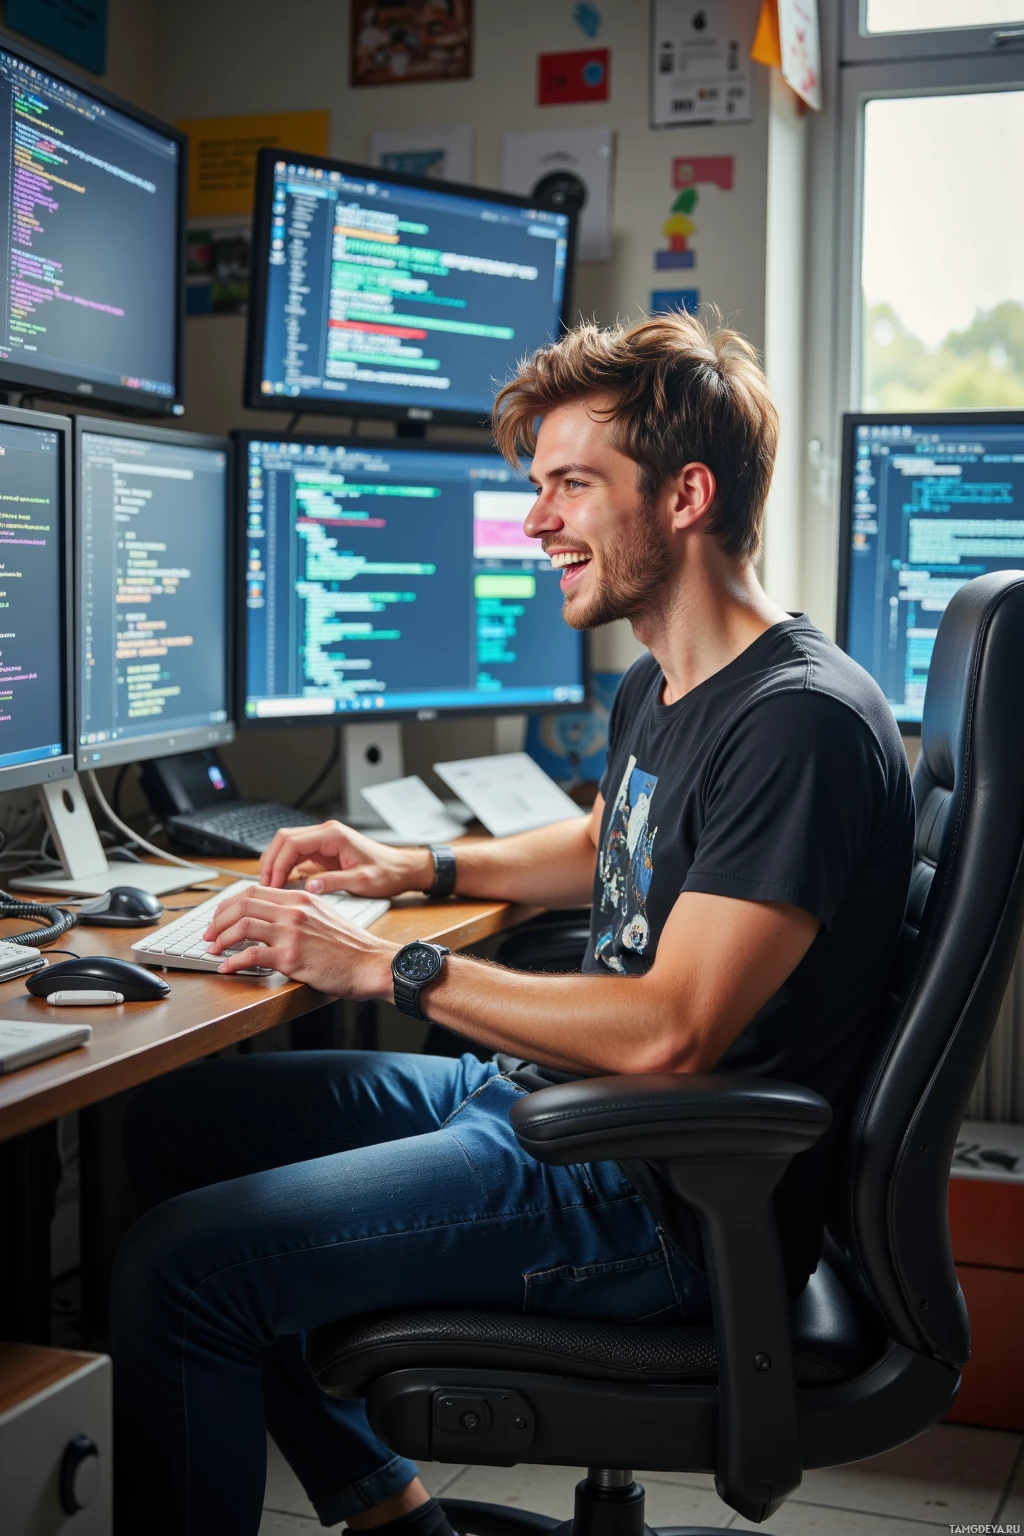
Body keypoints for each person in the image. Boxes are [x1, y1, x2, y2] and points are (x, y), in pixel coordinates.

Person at [111, 311, 915, 1536]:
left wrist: (388, 964)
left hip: (651, 1194)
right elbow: (610, 843)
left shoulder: (798, 722)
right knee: (171, 1130)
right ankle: (395, 1514)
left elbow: (668, 1033)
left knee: (183, 1269)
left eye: (570, 486)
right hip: (539, 1104)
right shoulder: (670, 676)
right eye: (537, 487)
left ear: (685, 494)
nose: (535, 521)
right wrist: (407, 861)